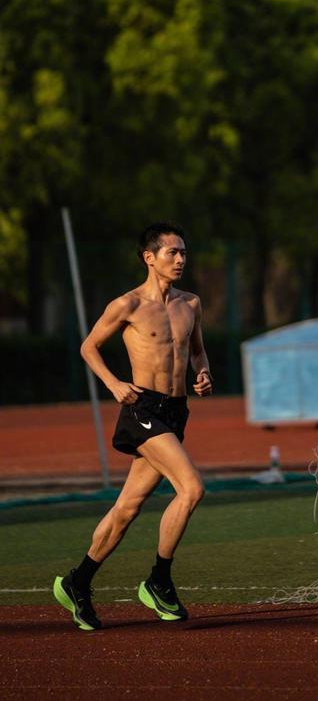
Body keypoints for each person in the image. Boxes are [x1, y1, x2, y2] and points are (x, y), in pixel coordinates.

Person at [53, 222, 212, 630]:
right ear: (149, 258)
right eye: (172, 252)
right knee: (191, 488)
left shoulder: (191, 304)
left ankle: (78, 581)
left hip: (175, 411)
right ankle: (159, 580)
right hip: (142, 408)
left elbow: (196, 351)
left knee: (128, 507)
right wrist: (114, 384)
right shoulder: (127, 304)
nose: (180, 259)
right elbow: (89, 347)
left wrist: (203, 373)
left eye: (183, 252)